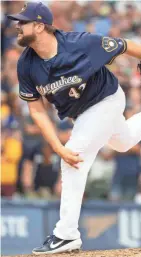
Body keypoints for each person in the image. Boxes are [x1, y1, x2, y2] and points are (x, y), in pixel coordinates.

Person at [7, 1, 141, 254]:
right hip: (81, 114)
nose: (17, 26)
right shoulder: (26, 64)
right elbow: (36, 109)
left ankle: (66, 234)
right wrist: (57, 146)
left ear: (39, 25)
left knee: (74, 156)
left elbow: (123, 45)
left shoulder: (80, 43)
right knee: (123, 143)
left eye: (22, 22)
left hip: (107, 98)